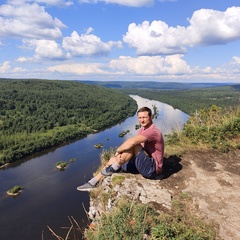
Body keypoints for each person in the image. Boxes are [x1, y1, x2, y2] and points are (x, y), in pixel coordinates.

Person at [77, 106, 164, 191]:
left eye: (144, 117)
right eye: (140, 117)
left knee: (133, 145)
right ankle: (94, 182)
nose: (142, 120)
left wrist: (118, 150)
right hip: (144, 163)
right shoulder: (142, 130)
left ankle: (117, 166)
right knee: (112, 160)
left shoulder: (152, 131)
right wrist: (119, 156)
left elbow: (133, 143)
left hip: (152, 169)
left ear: (151, 117)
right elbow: (136, 149)